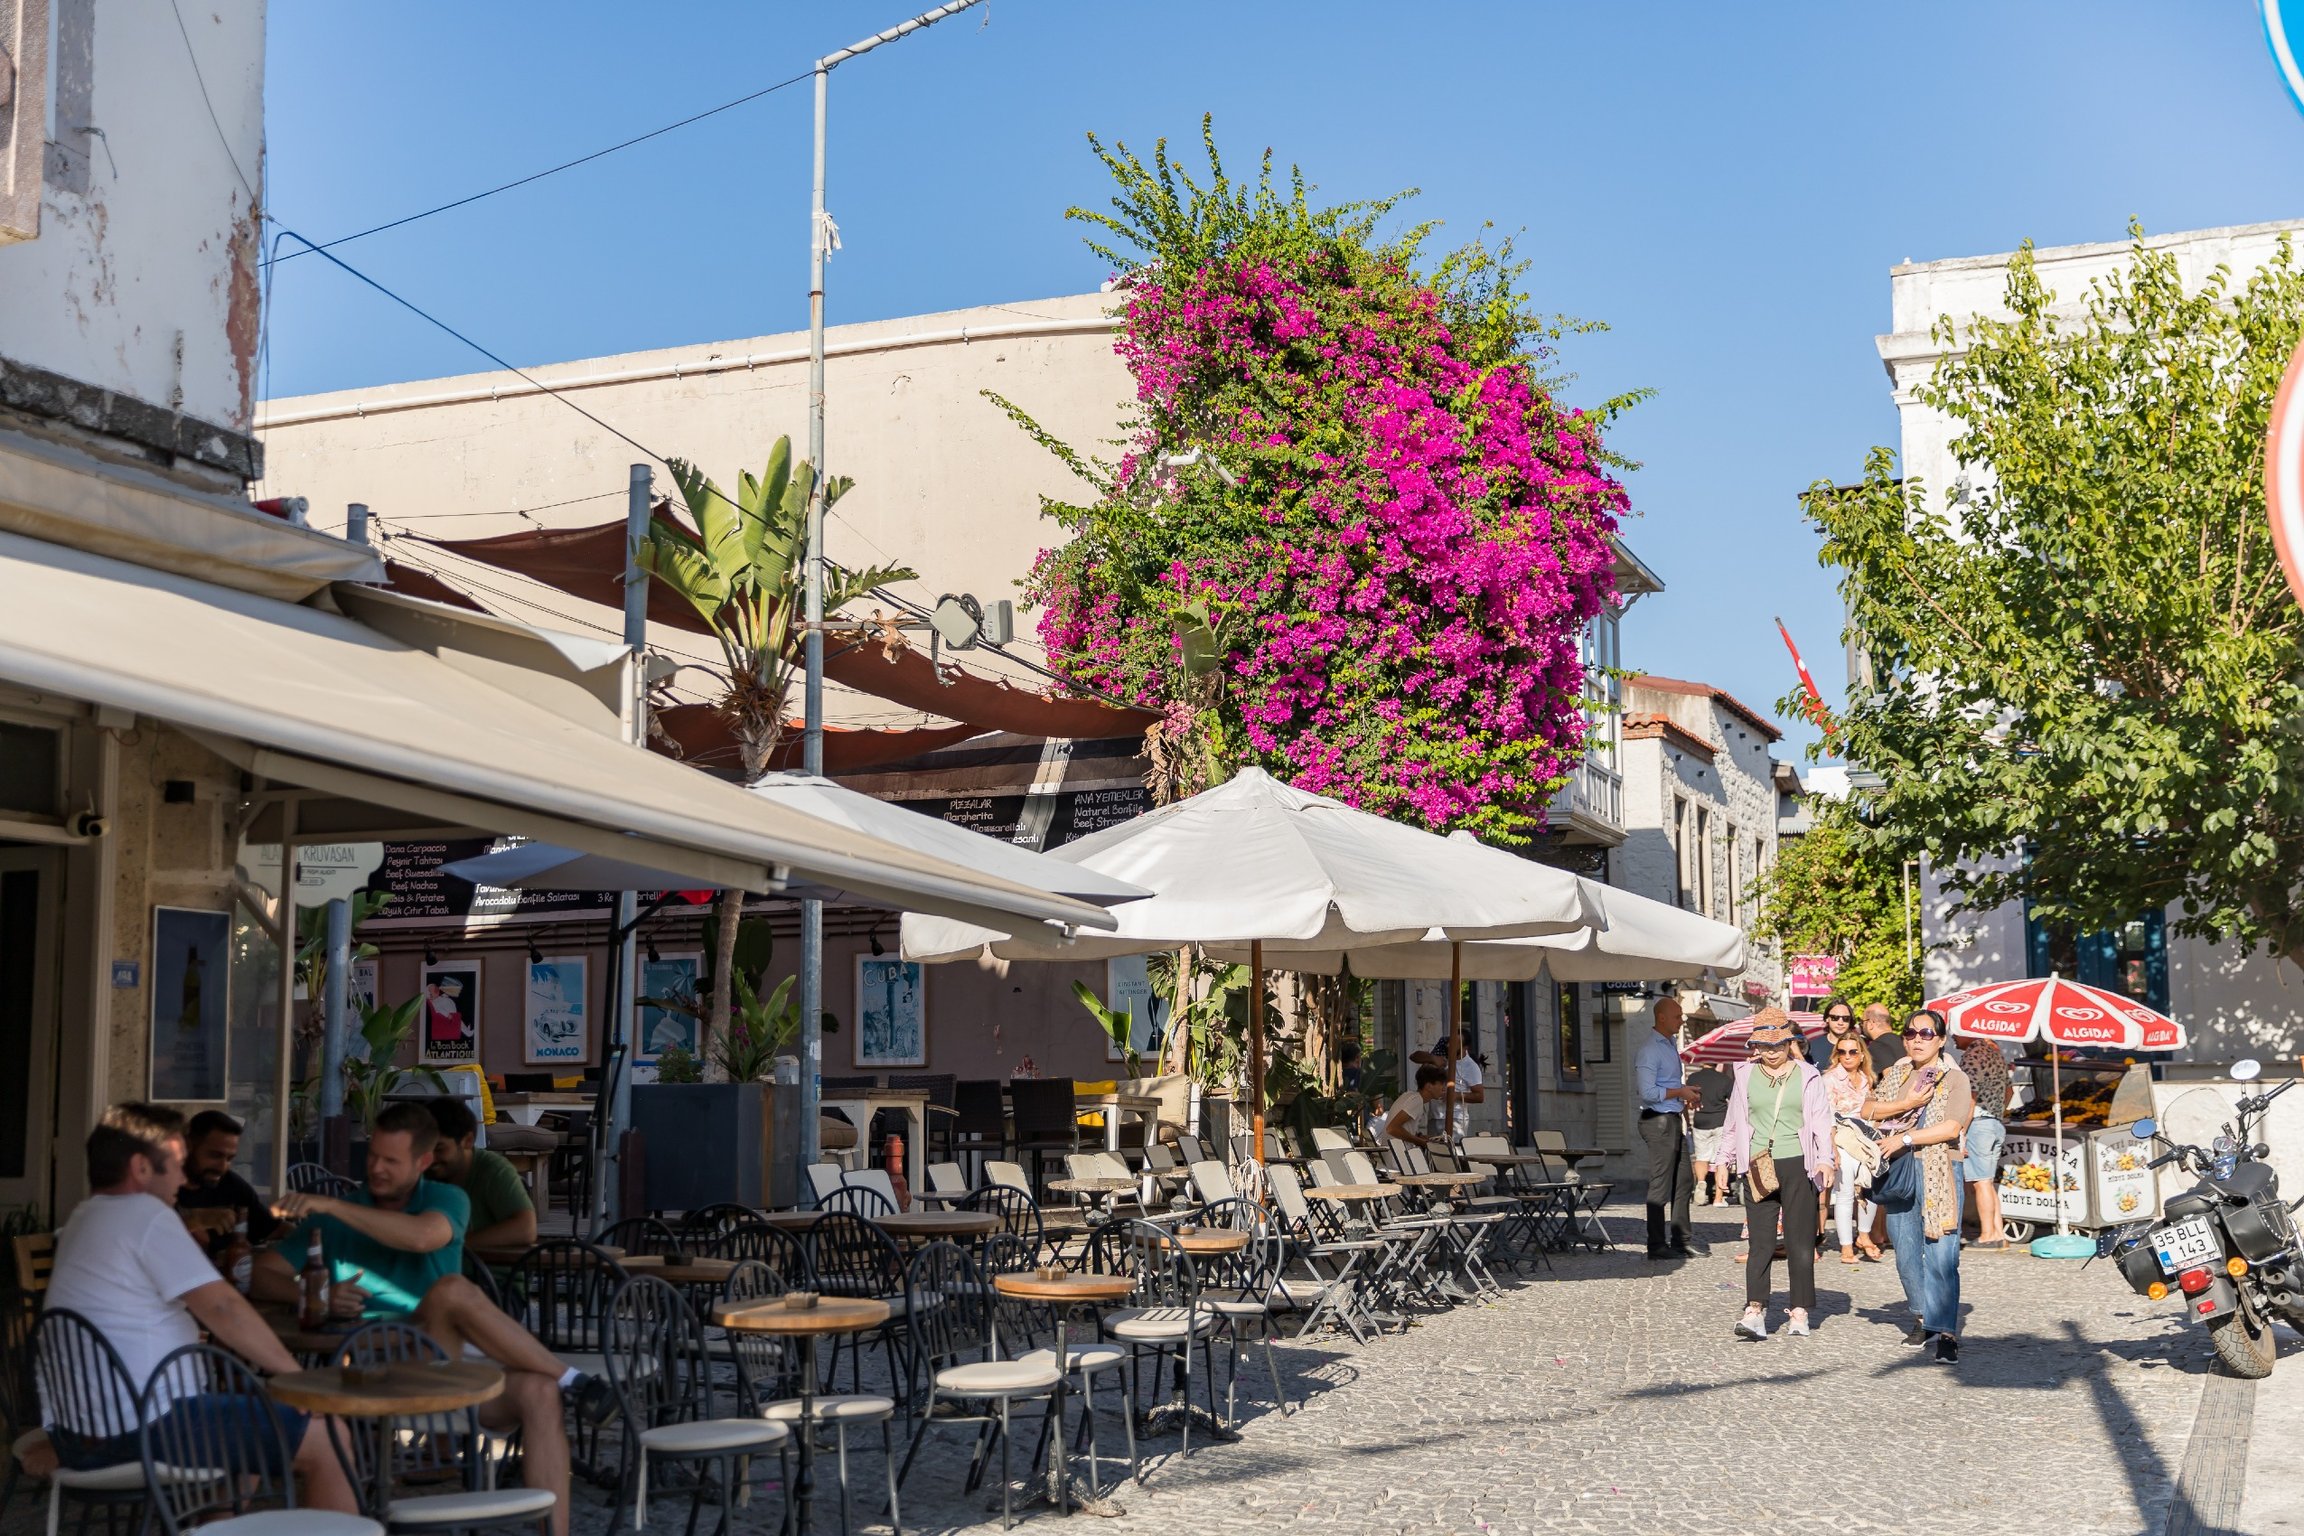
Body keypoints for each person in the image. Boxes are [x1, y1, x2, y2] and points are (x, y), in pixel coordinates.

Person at [253, 1102, 603, 1536]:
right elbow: (264, 1275)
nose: (377, 1168)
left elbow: (423, 1237)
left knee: (538, 1391)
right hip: (373, 1365)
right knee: (453, 1292)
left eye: (391, 1161)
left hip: (444, 1364)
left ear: (422, 1162)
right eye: (373, 1156)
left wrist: (334, 1208)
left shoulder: (444, 1198)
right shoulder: (341, 1211)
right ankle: (577, 1382)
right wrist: (318, 1293)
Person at [41, 1103, 359, 1512]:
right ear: (140, 1168)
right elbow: (223, 1307)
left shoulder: (85, 1217)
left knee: (248, 1414)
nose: (183, 1175)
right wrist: (298, 1380)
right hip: (143, 1426)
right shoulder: (145, 1214)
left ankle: (215, 1523)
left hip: (84, 1429)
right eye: (175, 1163)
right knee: (327, 1431)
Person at [1864, 1009, 1976, 1363]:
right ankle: (1923, 1316)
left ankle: (1946, 1330)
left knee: (1943, 1255)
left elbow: (1952, 1127)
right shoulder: (1896, 1073)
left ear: (1941, 1040)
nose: (1917, 1039)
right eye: (1911, 1033)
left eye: (1926, 1034)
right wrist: (1907, 1103)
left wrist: (1906, 1137)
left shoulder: (1954, 1079)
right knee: (1907, 1254)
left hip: (1940, 1168)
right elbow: (1868, 1109)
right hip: (1899, 1172)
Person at [1717, 1012, 1836, 1339]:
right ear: (1754, 1045)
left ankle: (1799, 1311)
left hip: (1798, 1162)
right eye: (1763, 1045)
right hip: (1757, 1162)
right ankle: (1755, 1310)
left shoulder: (1808, 1075)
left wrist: (1825, 1159)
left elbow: (1822, 1122)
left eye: (1778, 1044)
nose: (1771, 1051)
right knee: (1760, 1241)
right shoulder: (1743, 1075)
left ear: (1790, 1043)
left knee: (1799, 1241)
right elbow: (1733, 1123)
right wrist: (1722, 1161)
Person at [1633, 997, 1704, 1260]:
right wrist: (1680, 1092)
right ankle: (1656, 1244)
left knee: (1684, 1180)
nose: (1682, 1019)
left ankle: (1681, 1240)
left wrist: (1688, 1097)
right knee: (1661, 1184)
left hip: (1673, 1118)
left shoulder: (1670, 1044)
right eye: (1677, 1016)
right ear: (1661, 1017)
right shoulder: (1650, 1050)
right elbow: (1647, 1092)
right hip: (1658, 1121)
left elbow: (1670, 1084)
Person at [426, 1096, 538, 1250]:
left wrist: (454, 1245)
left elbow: (526, 1229)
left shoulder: (494, 1171)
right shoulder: (421, 1168)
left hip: (489, 1271)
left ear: (468, 1141)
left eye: (439, 1149)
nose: (430, 1157)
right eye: (424, 1148)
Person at [172, 1109, 282, 1245]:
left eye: (229, 1159)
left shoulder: (232, 1185)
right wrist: (195, 1220)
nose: (223, 1167)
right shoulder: (163, 1187)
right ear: (187, 1147)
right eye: (215, 1155)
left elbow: (273, 1229)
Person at [1821, 1033, 1880, 1264]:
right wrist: (1832, 1149)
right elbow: (1827, 1116)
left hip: (1865, 1139)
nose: (1847, 1056)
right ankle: (1846, 1247)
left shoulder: (1867, 1078)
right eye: (1842, 1051)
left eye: (1852, 1051)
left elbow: (1872, 1110)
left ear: (1861, 1054)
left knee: (1870, 1189)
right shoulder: (1830, 1078)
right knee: (1845, 1194)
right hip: (1842, 1139)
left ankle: (1863, 1236)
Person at [1958, 1034, 2014, 1251]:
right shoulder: (1995, 1053)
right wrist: (1999, 1111)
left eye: (1958, 1031)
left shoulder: (1973, 1056)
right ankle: (1998, 1233)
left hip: (1979, 1124)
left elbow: (1969, 1099)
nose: (1953, 1035)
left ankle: (1987, 1235)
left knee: (1980, 1182)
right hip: (1995, 1123)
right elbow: (2009, 1091)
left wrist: (1961, 1131)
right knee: (1988, 1182)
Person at [1409, 1031, 1485, 1138]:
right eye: (1449, 1041)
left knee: (1452, 1151)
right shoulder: (1441, 1055)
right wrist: (1433, 1058)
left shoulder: (1471, 1067)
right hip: (1435, 1115)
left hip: (1456, 1117)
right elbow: (1414, 1057)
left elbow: (1480, 1096)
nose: (1449, 1045)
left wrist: (1456, 1095)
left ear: (1465, 1047)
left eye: (1456, 1043)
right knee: (1433, 1149)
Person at [1687, 1061, 1734, 1206]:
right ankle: (1718, 1198)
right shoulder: (1724, 1080)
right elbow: (1733, 1101)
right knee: (1720, 1159)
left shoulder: (1693, 1078)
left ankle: (1701, 1182)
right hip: (1720, 1121)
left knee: (1701, 1157)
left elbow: (1689, 1101)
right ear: (1716, 1063)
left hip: (1701, 1121)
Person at [1383, 1064, 1452, 1149]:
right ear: (1429, 1086)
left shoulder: (1410, 1096)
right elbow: (1392, 1128)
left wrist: (1420, 1136)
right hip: (1397, 1155)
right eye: (1441, 1084)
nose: (1444, 1089)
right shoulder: (1416, 1101)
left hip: (1395, 1152)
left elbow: (1404, 1128)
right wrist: (1421, 1142)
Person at [1808, 998, 1859, 1071]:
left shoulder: (1859, 1045)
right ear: (1827, 1018)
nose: (1840, 1022)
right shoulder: (1813, 1046)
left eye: (1845, 1018)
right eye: (1835, 1018)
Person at [1861, 1002, 1905, 1075]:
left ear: (1870, 1023)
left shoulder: (1876, 1047)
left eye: (1862, 1022)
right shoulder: (1904, 1042)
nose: (1862, 1026)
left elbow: (1889, 1078)